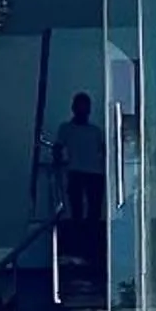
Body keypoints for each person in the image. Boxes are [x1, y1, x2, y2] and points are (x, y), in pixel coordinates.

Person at [52, 92, 105, 285]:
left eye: (86, 106)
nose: (84, 110)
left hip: (95, 173)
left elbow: (103, 150)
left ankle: (90, 249)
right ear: (74, 108)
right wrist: (57, 164)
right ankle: (80, 247)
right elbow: (57, 148)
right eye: (81, 106)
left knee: (92, 212)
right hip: (77, 172)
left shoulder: (95, 131)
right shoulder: (66, 128)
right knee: (77, 211)